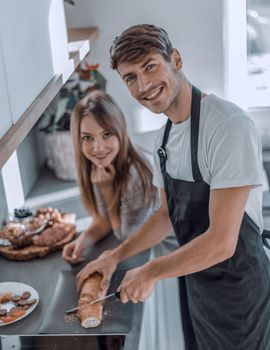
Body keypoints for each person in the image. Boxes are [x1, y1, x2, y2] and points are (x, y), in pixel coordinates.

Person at [76, 25, 270, 349]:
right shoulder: (163, 139)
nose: (144, 85)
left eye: (150, 66)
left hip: (240, 296)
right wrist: (114, 256)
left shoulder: (227, 126)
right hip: (198, 285)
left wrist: (150, 271)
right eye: (131, 77)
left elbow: (223, 242)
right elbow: (166, 215)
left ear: (175, 59)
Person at [62, 89, 159, 264]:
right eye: (87, 138)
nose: (98, 148)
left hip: (164, 248)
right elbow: (104, 218)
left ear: (120, 131)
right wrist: (84, 240)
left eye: (107, 135)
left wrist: (107, 190)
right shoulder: (101, 163)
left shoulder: (136, 175)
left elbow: (126, 234)